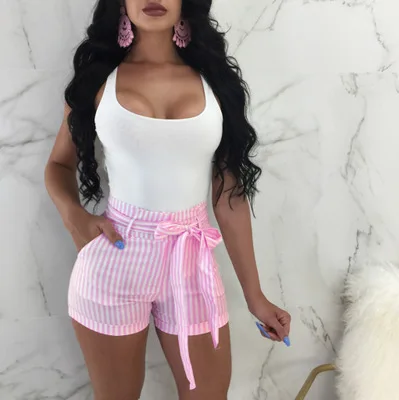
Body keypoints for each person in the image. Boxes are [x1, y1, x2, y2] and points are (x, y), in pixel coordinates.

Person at [44, 1, 291, 399]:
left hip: (192, 261)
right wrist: (77, 219)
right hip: (116, 258)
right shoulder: (98, 80)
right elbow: (58, 165)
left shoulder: (214, 82)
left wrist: (255, 297)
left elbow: (228, 195)